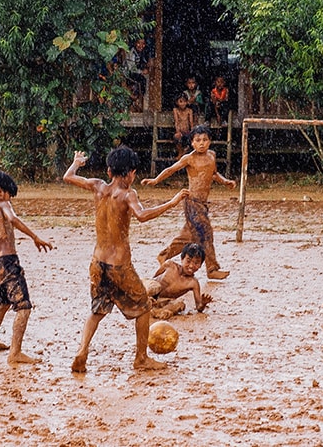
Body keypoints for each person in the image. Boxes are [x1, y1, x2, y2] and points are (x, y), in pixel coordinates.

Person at [63, 147, 189, 372]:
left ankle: (82, 351)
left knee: (97, 310)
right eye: (134, 173)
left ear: (109, 171)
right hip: (119, 266)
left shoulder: (98, 186)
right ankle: (141, 359)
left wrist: (76, 162)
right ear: (131, 173)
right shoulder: (128, 194)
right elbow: (141, 215)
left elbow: (68, 177)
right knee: (143, 307)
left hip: (97, 263)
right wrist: (171, 203)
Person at [0, 171, 52, 364]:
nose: (9, 198)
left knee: (4, 301)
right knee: (23, 306)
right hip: (8, 262)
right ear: (0, 191)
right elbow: (13, 219)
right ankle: (15, 352)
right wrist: (35, 237)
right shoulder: (3, 205)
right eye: (8, 194)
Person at [142, 125, 236, 280]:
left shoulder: (211, 156)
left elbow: (214, 174)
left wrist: (225, 182)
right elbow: (171, 169)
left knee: (189, 236)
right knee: (206, 234)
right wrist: (155, 180)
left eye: (205, 140)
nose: (201, 143)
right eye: (198, 140)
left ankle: (164, 255)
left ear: (210, 141)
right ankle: (212, 269)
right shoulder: (189, 158)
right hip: (192, 202)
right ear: (192, 143)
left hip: (203, 204)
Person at [144, 243, 213, 319]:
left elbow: (198, 308)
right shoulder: (170, 265)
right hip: (148, 294)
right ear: (182, 259)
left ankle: (158, 312)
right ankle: (143, 301)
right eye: (188, 261)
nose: (191, 266)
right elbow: (153, 278)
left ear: (200, 265)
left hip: (162, 301)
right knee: (154, 286)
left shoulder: (193, 283)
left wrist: (203, 303)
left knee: (180, 303)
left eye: (196, 263)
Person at [124, 38, 151, 110]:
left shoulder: (143, 53)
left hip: (137, 73)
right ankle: (136, 98)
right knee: (142, 80)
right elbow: (131, 68)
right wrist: (142, 72)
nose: (141, 45)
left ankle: (139, 100)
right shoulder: (131, 52)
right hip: (128, 74)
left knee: (144, 81)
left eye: (143, 44)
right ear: (135, 43)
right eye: (139, 43)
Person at [173, 93, 194, 158]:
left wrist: (193, 132)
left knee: (190, 139)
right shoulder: (175, 110)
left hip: (187, 131)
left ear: (187, 102)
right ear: (177, 102)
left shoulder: (189, 111)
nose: (183, 104)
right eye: (181, 101)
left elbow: (191, 122)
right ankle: (180, 152)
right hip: (180, 131)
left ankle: (185, 151)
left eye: (185, 101)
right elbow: (176, 121)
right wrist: (178, 131)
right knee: (176, 137)